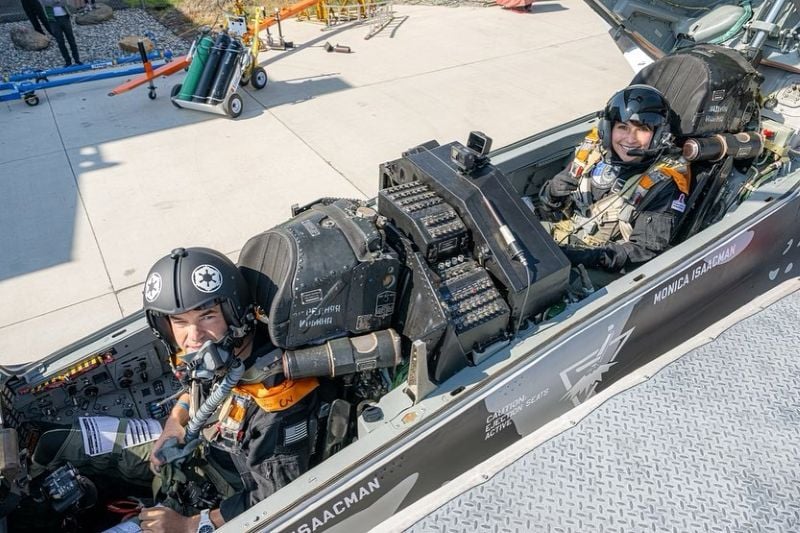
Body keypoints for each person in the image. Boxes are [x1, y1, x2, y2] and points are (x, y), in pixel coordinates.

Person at [137, 246, 320, 532]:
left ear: (235, 315)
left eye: (207, 316)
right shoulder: (217, 356)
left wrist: (190, 525)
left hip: (235, 501)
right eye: (179, 322)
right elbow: (194, 387)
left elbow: (279, 497)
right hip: (201, 457)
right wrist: (174, 423)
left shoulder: (276, 402)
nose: (193, 337)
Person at [538, 84, 691, 277]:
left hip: (601, 268)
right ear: (608, 129)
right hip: (562, 244)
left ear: (658, 135)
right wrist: (552, 194)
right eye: (622, 127)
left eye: (642, 129)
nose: (630, 138)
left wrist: (590, 257)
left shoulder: (663, 183)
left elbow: (644, 251)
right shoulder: (590, 156)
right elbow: (548, 213)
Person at [41, 0, 81, 66]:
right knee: (60, 42)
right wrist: (56, 2)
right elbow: (45, 3)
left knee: (71, 39)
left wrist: (54, 3)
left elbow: (64, 2)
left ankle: (77, 60)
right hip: (53, 20)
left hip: (65, 17)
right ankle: (68, 61)